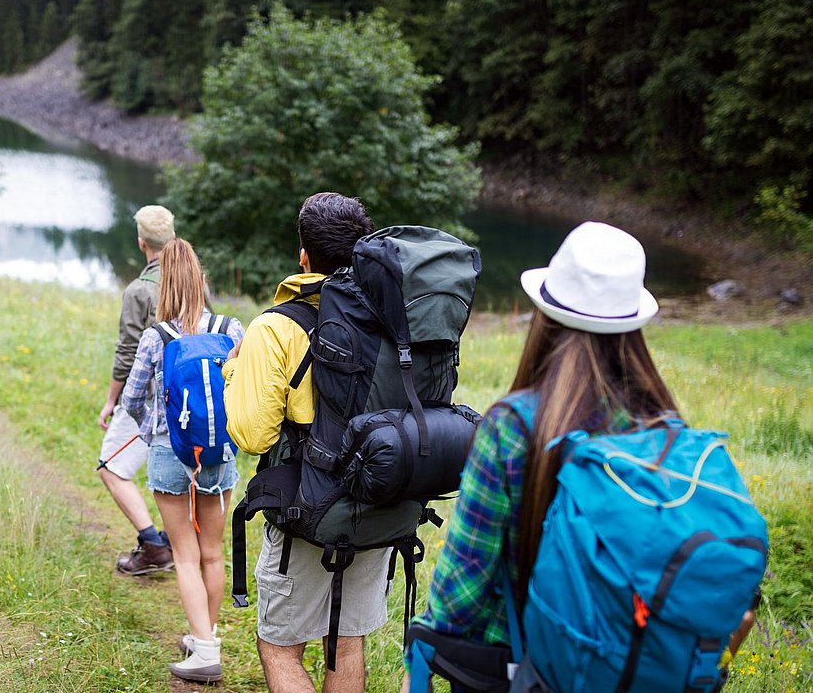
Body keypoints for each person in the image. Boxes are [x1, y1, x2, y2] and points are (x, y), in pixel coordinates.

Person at [402, 221, 759, 692]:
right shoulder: (660, 423)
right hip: (628, 664)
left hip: (517, 669)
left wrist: (421, 655)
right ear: (633, 325)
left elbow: (460, 593)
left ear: (544, 316)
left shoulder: (514, 426)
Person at [222, 192, 385, 693]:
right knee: (347, 639)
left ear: (304, 256)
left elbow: (252, 434)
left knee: (280, 647)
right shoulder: (390, 317)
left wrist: (234, 372)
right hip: (380, 497)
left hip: (307, 509)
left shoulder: (276, 327)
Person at [121, 237, 245, 684]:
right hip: (220, 452)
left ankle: (205, 650)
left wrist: (153, 427)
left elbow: (134, 397)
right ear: (202, 281)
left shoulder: (157, 336)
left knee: (186, 555)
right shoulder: (232, 329)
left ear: (166, 288)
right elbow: (247, 390)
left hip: (169, 451)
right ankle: (203, 635)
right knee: (212, 554)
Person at [96, 205, 175, 575]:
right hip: (188, 396)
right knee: (176, 470)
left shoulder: (139, 290)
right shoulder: (195, 281)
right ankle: (175, 543)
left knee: (111, 467)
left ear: (142, 242)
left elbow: (127, 352)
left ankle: (155, 547)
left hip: (147, 399)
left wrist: (111, 401)